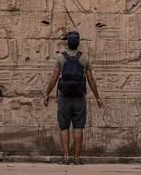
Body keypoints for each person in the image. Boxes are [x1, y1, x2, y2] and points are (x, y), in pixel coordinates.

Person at [43, 31, 103, 164]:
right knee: (78, 126)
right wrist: (97, 96)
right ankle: (77, 158)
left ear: (67, 43)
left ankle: (65, 157)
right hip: (79, 96)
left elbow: (54, 78)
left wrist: (47, 93)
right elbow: (91, 79)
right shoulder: (84, 58)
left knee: (64, 126)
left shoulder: (60, 58)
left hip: (64, 96)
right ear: (78, 43)